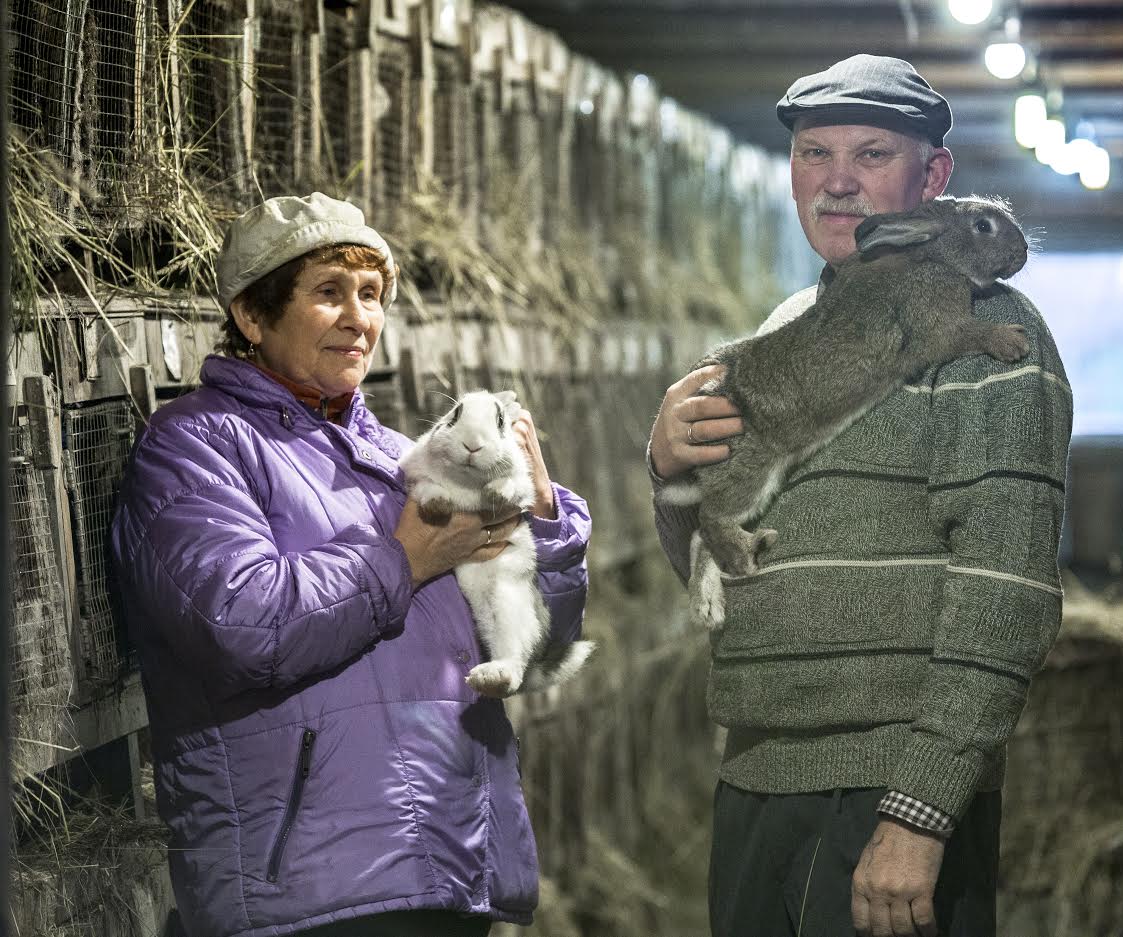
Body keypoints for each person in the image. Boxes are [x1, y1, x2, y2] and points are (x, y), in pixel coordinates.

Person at [648, 56, 1073, 937]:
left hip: (881, 796)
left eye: (872, 153)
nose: (837, 181)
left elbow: (1007, 584)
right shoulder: (783, 331)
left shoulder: (987, 333)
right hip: (757, 777)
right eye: (814, 153)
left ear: (934, 178)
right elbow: (721, 576)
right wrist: (669, 477)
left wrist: (919, 809)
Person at [110, 192, 590, 937]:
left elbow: (541, 647)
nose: (359, 317)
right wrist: (403, 559)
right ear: (252, 314)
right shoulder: (196, 445)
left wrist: (545, 525)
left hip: (449, 869)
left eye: (371, 295)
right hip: (308, 889)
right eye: (328, 293)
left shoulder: (406, 458)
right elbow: (243, 623)